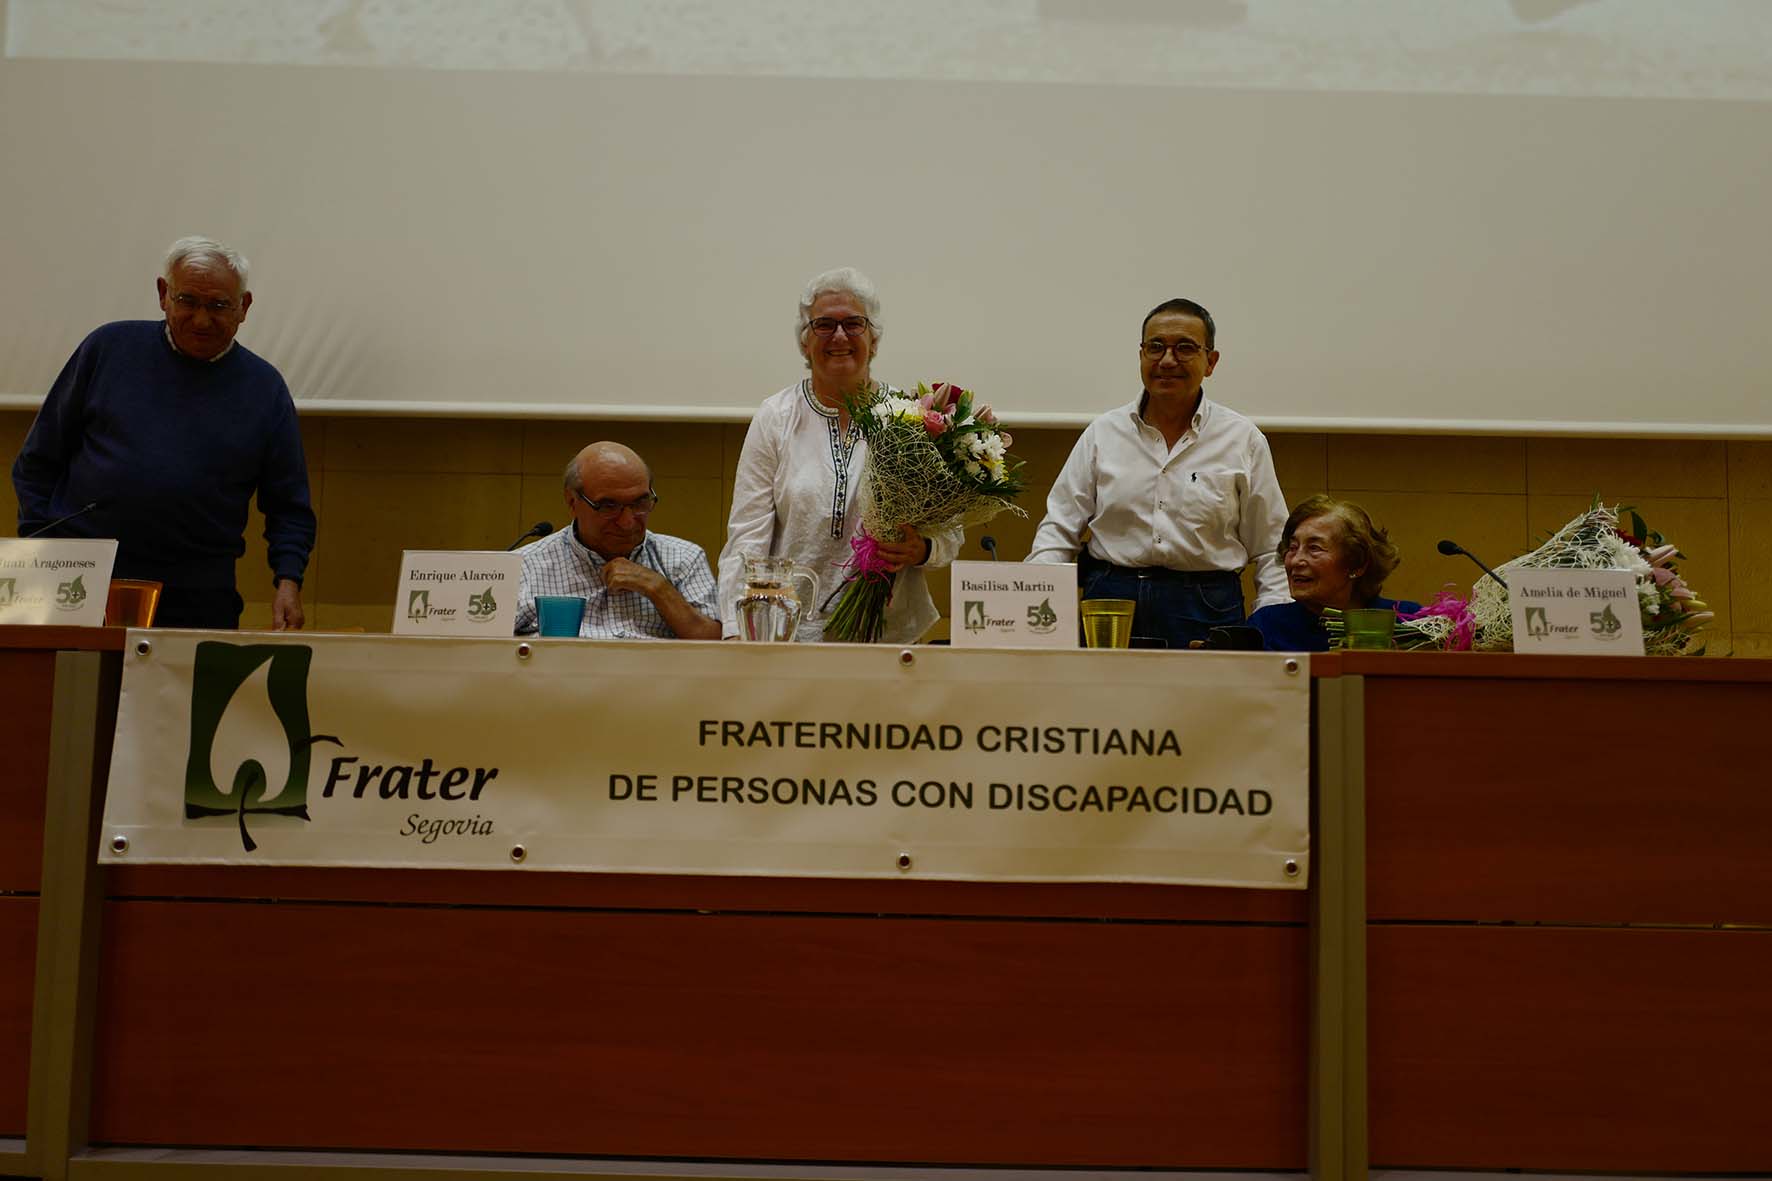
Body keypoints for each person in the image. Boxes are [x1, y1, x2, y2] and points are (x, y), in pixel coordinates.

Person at [11, 236, 314, 630]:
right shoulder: (107, 349)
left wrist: (288, 581)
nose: (202, 319)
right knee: (72, 692)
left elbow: (289, 505)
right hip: (82, 579)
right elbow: (37, 461)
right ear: (162, 294)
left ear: (244, 307)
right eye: (188, 301)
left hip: (198, 593)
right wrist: (42, 548)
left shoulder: (265, 389)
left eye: (219, 305)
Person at [1026, 297, 1288, 649]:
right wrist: (1034, 607)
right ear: (1140, 355)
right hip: (1110, 601)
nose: (1167, 360)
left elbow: (1271, 548)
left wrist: (1271, 627)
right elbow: (1058, 531)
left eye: (1184, 348)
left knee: (1203, 705)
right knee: (1104, 703)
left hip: (1207, 606)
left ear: (1211, 362)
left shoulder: (1243, 440)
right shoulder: (1103, 433)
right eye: (1155, 347)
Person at [718, 267, 960, 642]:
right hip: (789, 631)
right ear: (804, 341)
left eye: (854, 324)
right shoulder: (776, 416)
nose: (840, 336)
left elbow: (950, 532)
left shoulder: (911, 417)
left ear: (874, 339)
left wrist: (923, 549)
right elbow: (746, 537)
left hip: (888, 632)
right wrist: (736, 631)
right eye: (824, 325)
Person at [514, 441, 721, 640]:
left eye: (640, 503)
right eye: (608, 506)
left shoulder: (684, 558)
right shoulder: (522, 566)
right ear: (572, 502)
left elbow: (716, 647)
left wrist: (658, 588)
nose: (627, 522)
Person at [1248, 495, 1421, 652]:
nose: (1295, 561)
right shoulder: (1266, 627)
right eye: (1292, 548)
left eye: (1314, 548)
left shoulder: (1409, 621)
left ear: (1357, 564)